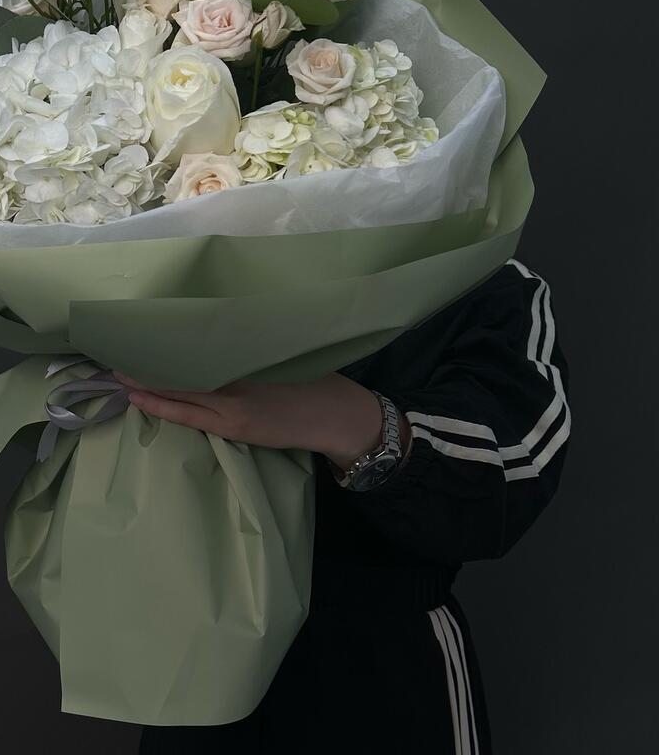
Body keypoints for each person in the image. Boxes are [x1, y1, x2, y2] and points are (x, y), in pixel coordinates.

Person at [124, 259, 570, 754]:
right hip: (198, 658)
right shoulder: (174, 261)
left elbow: (515, 469)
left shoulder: (478, 274)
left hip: (384, 661)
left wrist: (347, 420)